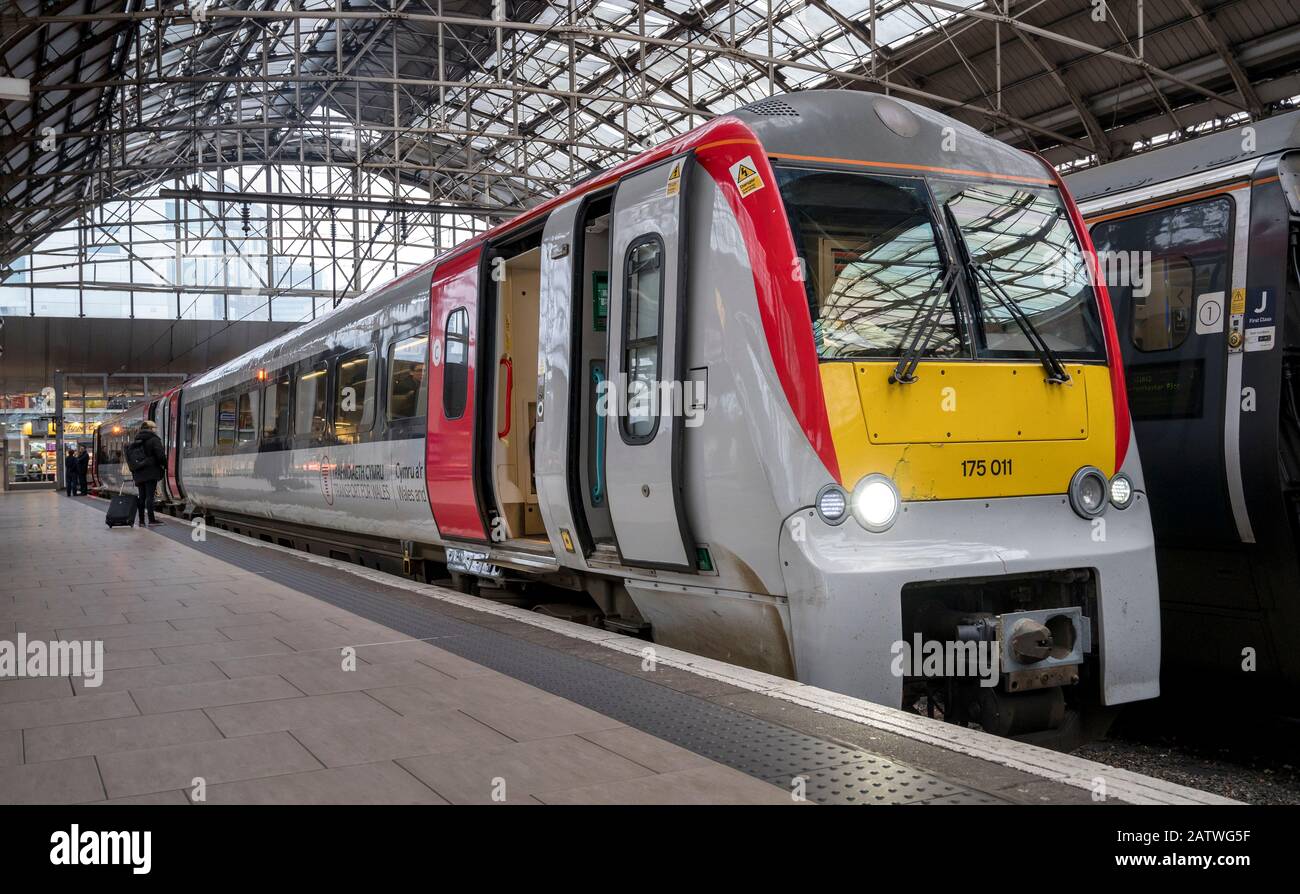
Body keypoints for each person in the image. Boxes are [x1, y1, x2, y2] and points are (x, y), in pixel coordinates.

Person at [124, 420, 167, 527]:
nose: (155, 430)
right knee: (150, 497)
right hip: (150, 471)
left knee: (142, 496)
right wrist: (164, 465)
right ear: (150, 429)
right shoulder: (153, 439)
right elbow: (160, 455)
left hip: (138, 472)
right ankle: (152, 520)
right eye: (154, 428)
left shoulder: (136, 440)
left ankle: (141, 521)